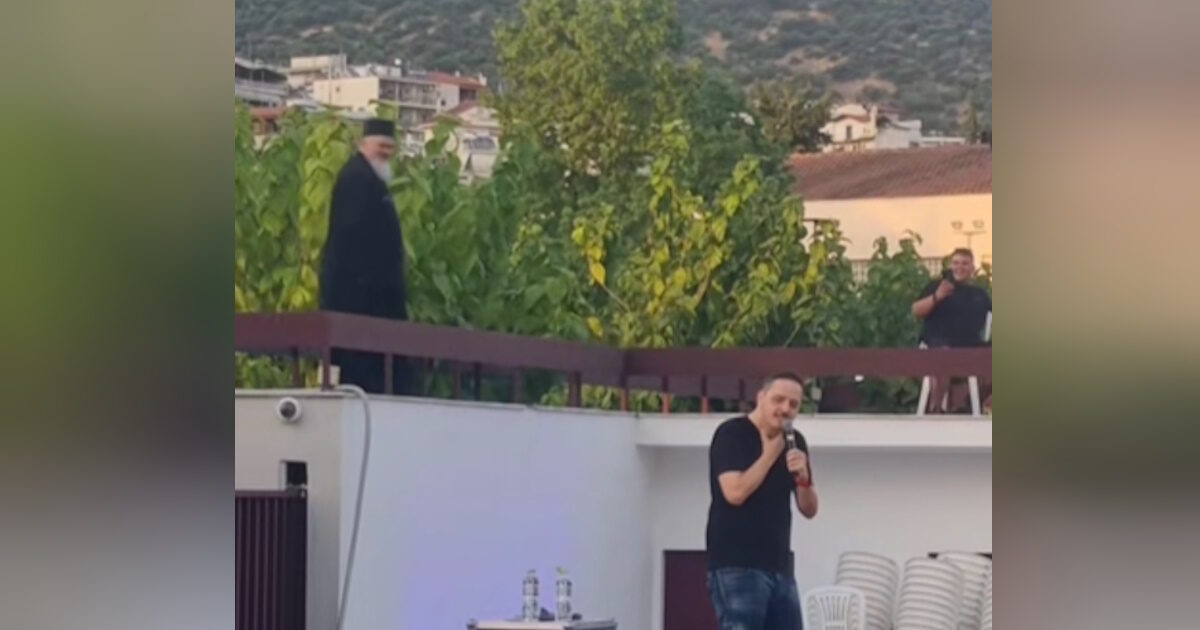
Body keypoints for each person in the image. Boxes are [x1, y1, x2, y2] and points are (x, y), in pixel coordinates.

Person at [706, 373, 819, 630]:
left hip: (780, 568)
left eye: (793, 404)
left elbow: (809, 509)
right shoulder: (732, 434)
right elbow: (735, 493)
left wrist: (804, 478)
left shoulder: (795, 442)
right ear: (761, 398)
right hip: (737, 565)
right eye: (779, 400)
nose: (785, 409)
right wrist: (769, 455)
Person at [318, 118, 414, 394]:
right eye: (381, 146)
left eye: (390, 148)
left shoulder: (370, 179)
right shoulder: (357, 179)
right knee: (365, 377)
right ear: (364, 144)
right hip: (359, 304)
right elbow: (352, 244)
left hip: (371, 304)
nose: (386, 153)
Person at [911, 248, 992, 413]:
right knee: (944, 358)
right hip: (937, 344)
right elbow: (916, 310)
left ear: (972, 268)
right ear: (950, 266)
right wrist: (937, 296)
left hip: (970, 347)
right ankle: (936, 410)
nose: (960, 267)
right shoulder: (936, 286)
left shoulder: (980, 294)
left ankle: (970, 405)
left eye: (965, 264)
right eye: (956, 263)